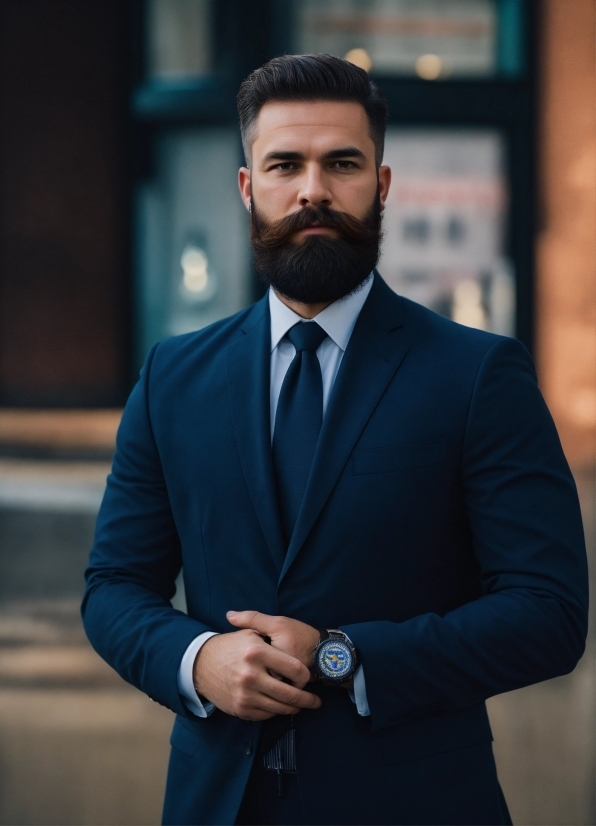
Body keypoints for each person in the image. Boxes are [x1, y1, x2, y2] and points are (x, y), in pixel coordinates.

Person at [82, 54, 588, 826]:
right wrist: (198, 659)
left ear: (381, 186)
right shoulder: (172, 378)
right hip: (217, 803)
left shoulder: (478, 374)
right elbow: (114, 585)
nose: (312, 189)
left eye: (341, 163)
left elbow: (549, 613)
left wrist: (340, 655)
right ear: (249, 188)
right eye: (285, 164)